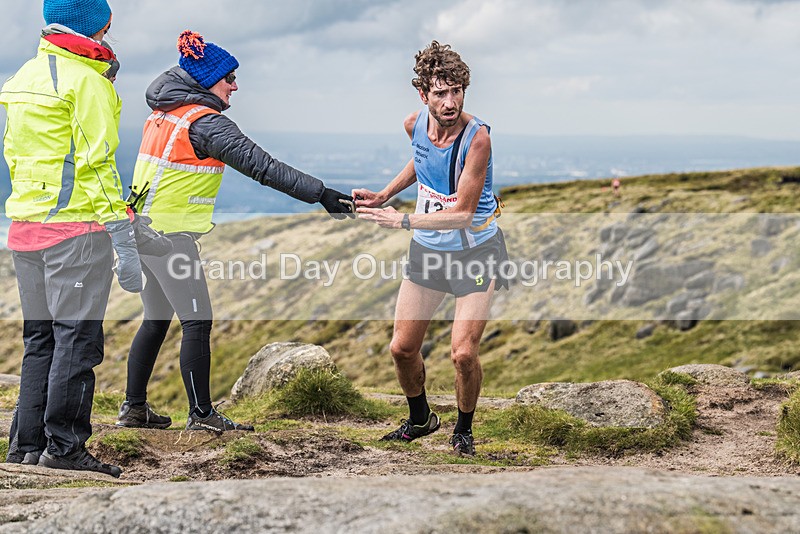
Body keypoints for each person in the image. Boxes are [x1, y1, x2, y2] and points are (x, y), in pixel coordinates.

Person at [117, 30, 353, 433]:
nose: (235, 85)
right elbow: (263, 167)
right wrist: (322, 194)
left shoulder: (164, 115)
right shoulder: (206, 124)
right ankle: (202, 415)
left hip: (144, 231)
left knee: (155, 320)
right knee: (197, 322)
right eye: (229, 78)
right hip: (171, 238)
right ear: (208, 80)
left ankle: (134, 409)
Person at [1, 0, 142, 478]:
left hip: (24, 229)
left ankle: (24, 447)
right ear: (94, 26)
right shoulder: (87, 83)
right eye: (107, 27)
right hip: (76, 232)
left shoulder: (22, 78)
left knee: (40, 340)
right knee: (77, 342)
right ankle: (64, 448)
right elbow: (97, 168)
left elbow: (15, 158)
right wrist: (122, 240)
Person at [355, 41, 508, 456]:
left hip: (476, 251)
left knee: (462, 353)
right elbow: (421, 160)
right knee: (402, 348)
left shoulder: (478, 140)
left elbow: (461, 214)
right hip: (428, 250)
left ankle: (463, 429)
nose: (451, 101)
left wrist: (400, 219)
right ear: (423, 94)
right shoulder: (414, 123)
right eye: (440, 93)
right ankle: (420, 418)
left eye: (457, 90)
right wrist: (385, 194)